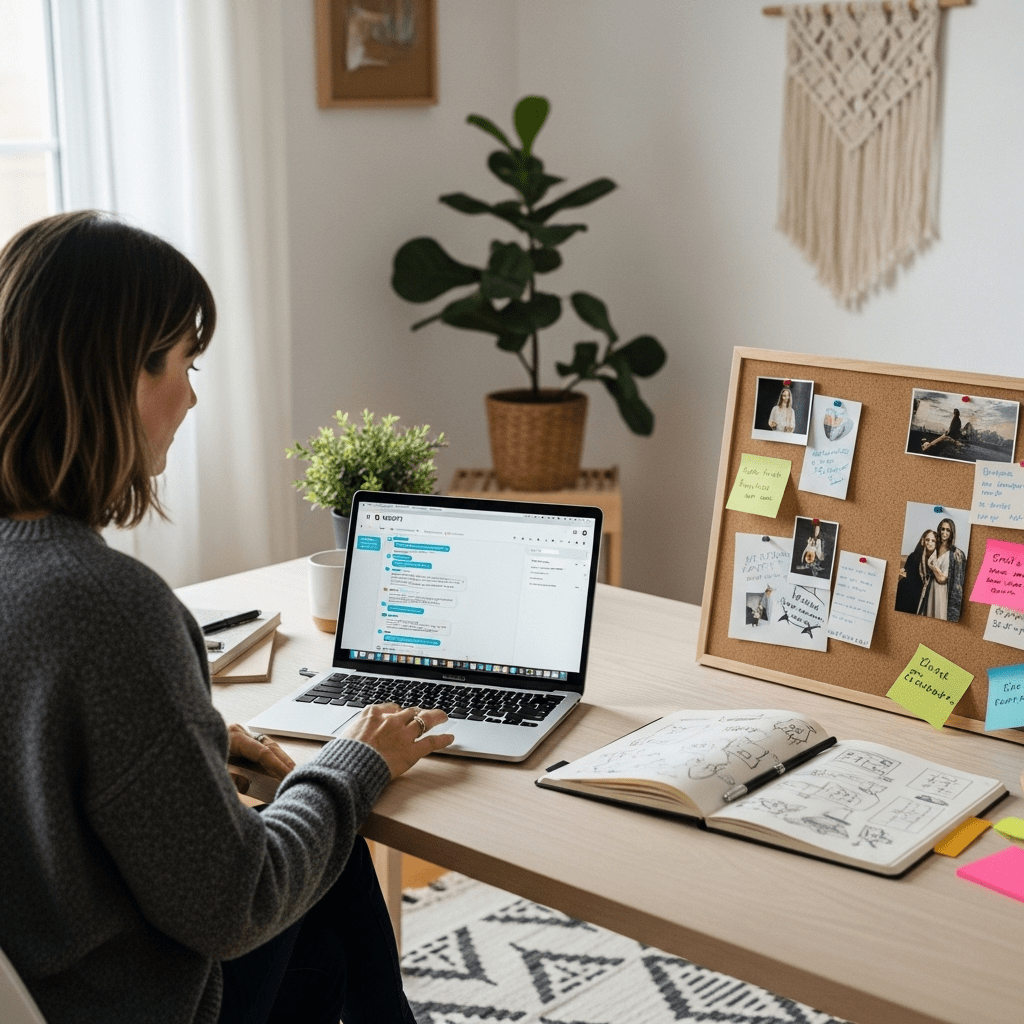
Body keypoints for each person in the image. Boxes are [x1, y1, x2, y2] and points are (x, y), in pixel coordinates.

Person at [0, 211, 454, 1024]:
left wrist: (191, 740)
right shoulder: (106, 605)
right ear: (115, 379)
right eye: (181, 361)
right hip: (130, 1006)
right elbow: (238, 905)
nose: (192, 393)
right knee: (329, 843)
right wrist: (353, 763)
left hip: (32, 983)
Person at [922, 517, 967, 622]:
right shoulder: (934, 547)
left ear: (952, 533)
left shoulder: (956, 554)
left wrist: (933, 568)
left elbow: (948, 580)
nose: (944, 532)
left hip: (943, 592)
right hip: (931, 588)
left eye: (948, 530)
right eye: (942, 529)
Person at [894, 529, 936, 614]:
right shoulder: (914, 556)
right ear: (923, 541)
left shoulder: (938, 560)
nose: (930, 542)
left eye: (933, 540)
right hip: (908, 594)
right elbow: (909, 578)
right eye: (927, 540)